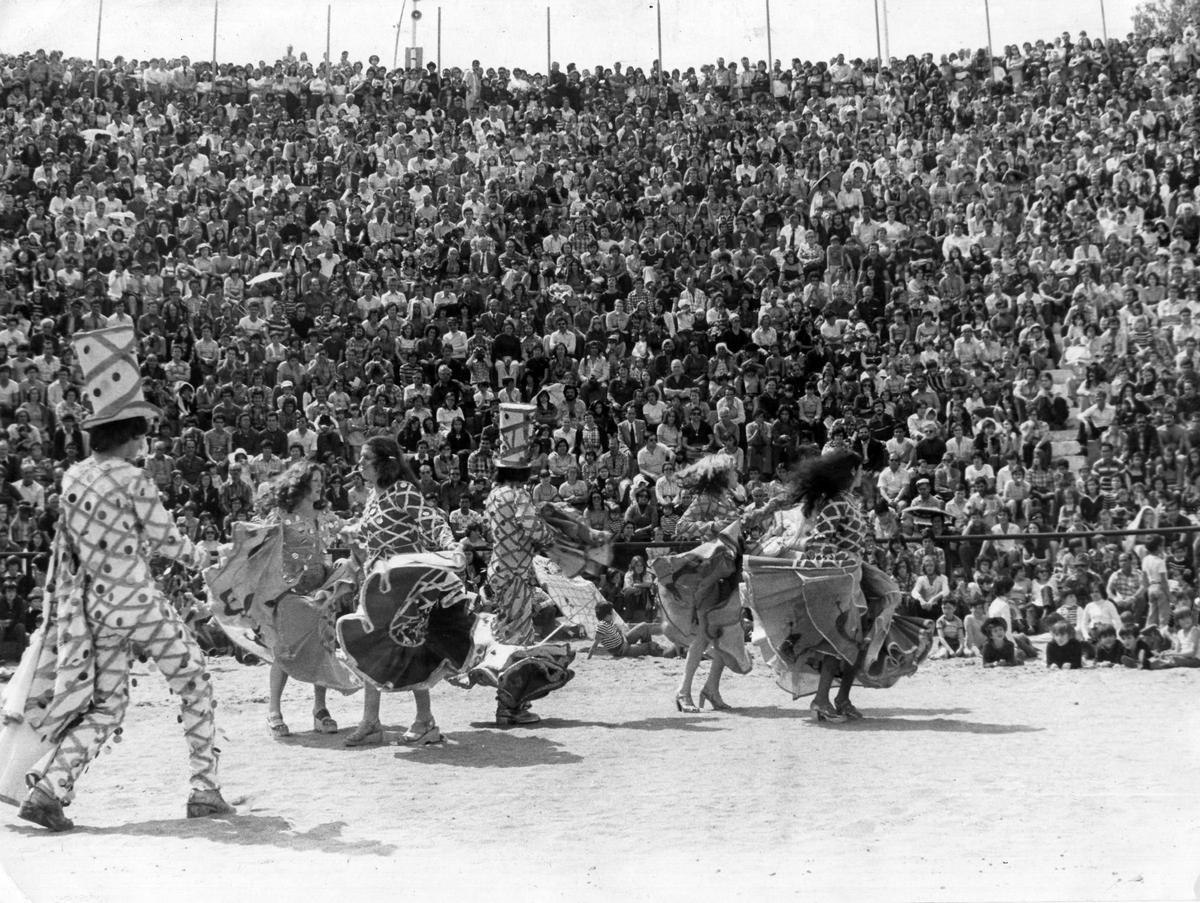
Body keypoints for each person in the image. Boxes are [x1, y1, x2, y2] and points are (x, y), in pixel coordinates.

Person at [10, 325, 232, 832]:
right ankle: (204, 787)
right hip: (136, 601)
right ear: (131, 432)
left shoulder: (71, 477)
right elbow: (169, 542)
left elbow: (63, 553)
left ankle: (49, 789)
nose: (145, 442)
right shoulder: (132, 478)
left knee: (108, 704)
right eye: (143, 433)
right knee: (195, 679)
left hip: (92, 608)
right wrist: (203, 556)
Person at [745, 449, 931, 722]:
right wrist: (845, 562)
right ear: (852, 472)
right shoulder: (837, 503)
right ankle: (821, 700)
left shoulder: (848, 501)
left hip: (854, 577)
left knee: (858, 639)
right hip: (840, 580)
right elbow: (819, 542)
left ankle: (841, 698)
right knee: (840, 641)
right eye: (860, 469)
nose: (863, 474)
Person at [337, 436, 476, 746]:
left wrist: (451, 546)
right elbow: (373, 537)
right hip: (379, 585)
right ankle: (373, 722)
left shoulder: (402, 491)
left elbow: (432, 521)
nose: (359, 466)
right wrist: (354, 536)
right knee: (374, 645)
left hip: (408, 587)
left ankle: (424, 720)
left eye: (365, 460)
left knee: (411, 647)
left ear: (383, 463)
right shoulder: (373, 495)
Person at [480, 404, 578, 726]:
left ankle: (509, 701)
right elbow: (534, 530)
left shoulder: (493, 495)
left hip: (498, 571)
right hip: (516, 576)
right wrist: (555, 535)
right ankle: (508, 707)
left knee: (509, 632)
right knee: (518, 639)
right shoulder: (518, 495)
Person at [655, 453, 760, 713]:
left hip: (728, 572)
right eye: (734, 470)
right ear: (723, 474)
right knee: (705, 635)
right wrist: (715, 527)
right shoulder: (707, 498)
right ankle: (683, 691)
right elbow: (682, 526)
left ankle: (710, 688)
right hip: (712, 575)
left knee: (721, 632)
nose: (738, 474)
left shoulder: (728, 498)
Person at [593, 602, 666, 658]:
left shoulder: (609, 623)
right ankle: (651, 649)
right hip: (623, 651)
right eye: (612, 612)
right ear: (608, 615)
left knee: (644, 626)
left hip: (624, 643)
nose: (613, 614)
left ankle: (648, 649)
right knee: (651, 646)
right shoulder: (603, 627)